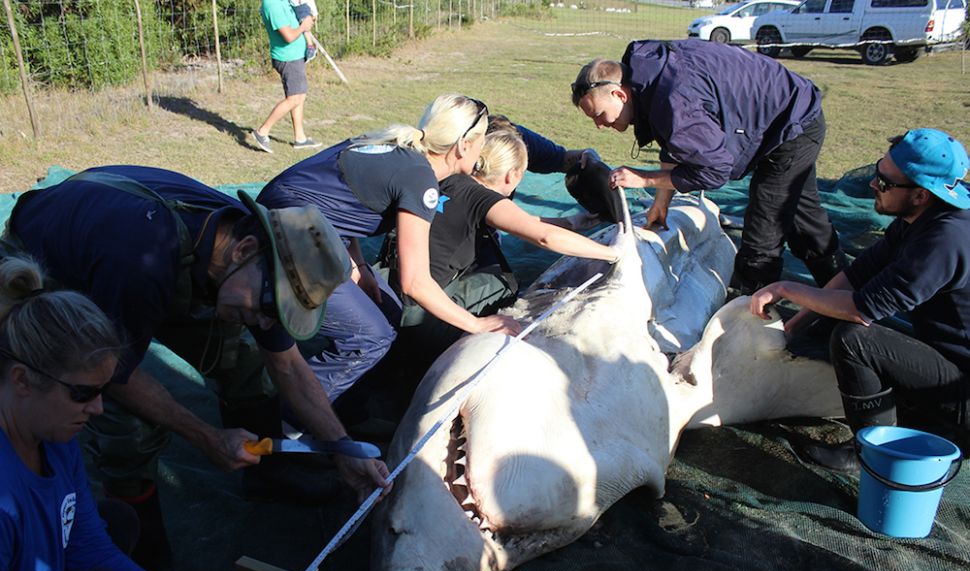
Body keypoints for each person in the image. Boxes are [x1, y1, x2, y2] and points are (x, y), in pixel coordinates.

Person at [6, 165, 390, 571]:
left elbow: (287, 365)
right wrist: (207, 438)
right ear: (242, 249)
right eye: (266, 308)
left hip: (152, 260)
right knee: (123, 421)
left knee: (245, 361)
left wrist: (342, 448)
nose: (266, 322)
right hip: (53, 264)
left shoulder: (265, 261)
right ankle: (144, 556)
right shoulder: (139, 258)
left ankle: (267, 475)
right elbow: (119, 375)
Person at [257, 94, 521, 404]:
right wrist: (475, 323)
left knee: (388, 309)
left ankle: (352, 402)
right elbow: (416, 281)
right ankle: (289, 423)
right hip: (291, 232)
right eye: (480, 141)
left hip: (289, 219)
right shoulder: (421, 179)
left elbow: (342, 208)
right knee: (370, 337)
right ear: (463, 145)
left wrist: (362, 268)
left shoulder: (397, 149)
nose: (481, 151)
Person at [0, 255, 208, 571]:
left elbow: (85, 544)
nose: (97, 408)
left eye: (103, 391)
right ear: (22, 380)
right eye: (82, 393)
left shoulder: (53, 439)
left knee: (117, 520)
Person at [750, 129, 970, 472]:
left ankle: (869, 453)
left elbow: (859, 309)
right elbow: (858, 273)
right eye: (875, 173)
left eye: (884, 183)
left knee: (855, 339)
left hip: (961, 393)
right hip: (949, 359)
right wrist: (794, 326)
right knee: (835, 318)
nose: (872, 185)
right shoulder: (922, 219)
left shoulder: (943, 242)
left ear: (921, 195)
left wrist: (784, 289)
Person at [572, 39, 846, 295]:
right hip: (783, 114)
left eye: (598, 114)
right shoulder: (650, 74)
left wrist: (644, 179)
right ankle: (839, 294)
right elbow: (673, 140)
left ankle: (751, 321)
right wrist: (661, 201)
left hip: (789, 126)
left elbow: (714, 171)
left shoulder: (673, 100)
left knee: (763, 234)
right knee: (804, 217)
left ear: (620, 94)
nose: (599, 125)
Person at [388, 124, 620, 364]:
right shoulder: (482, 198)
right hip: (419, 311)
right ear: (513, 175)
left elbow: (520, 221)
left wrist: (572, 222)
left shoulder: (451, 179)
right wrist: (611, 252)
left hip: (388, 289)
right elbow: (545, 237)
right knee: (501, 284)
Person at [252, 0, 322, 153]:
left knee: (299, 96)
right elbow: (288, 36)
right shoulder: (272, 5)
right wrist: (304, 26)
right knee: (294, 98)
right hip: (287, 58)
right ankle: (262, 132)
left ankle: (300, 138)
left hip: (295, 56)